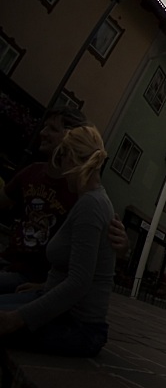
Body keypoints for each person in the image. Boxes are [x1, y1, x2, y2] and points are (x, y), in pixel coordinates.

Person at [0, 125, 115, 356]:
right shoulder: (89, 200)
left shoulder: (91, 205)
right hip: (60, 310)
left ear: (69, 159)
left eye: (59, 161)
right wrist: (47, 285)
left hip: (78, 327)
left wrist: (17, 319)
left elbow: (80, 282)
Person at [1, 108, 128, 295]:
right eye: (44, 127)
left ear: (71, 136)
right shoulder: (33, 171)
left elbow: (97, 257)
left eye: (52, 129)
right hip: (8, 261)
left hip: (34, 277)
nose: (43, 133)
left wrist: (122, 248)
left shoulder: (82, 191)